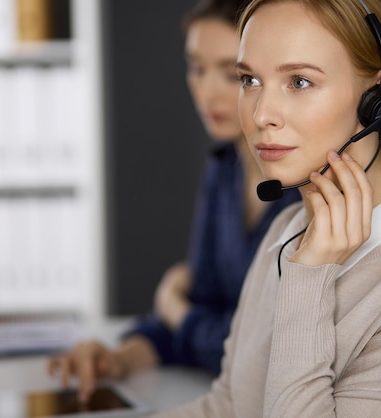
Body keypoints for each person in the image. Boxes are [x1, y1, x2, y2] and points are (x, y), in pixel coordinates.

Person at [154, 0, 381, 416]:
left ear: (376, 100)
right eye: (249, 79)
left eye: (300, 82)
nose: (260, 114)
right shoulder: (286, 230)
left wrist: (310, 277)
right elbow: (229, 407)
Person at [47, 0, 301, 404]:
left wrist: (175, 309)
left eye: (233, 74)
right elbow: (197, 313)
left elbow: (268, 350)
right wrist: (119, 359)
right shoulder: (224, 165)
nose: (207, 91)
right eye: (196, 68)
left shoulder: (306, 186)